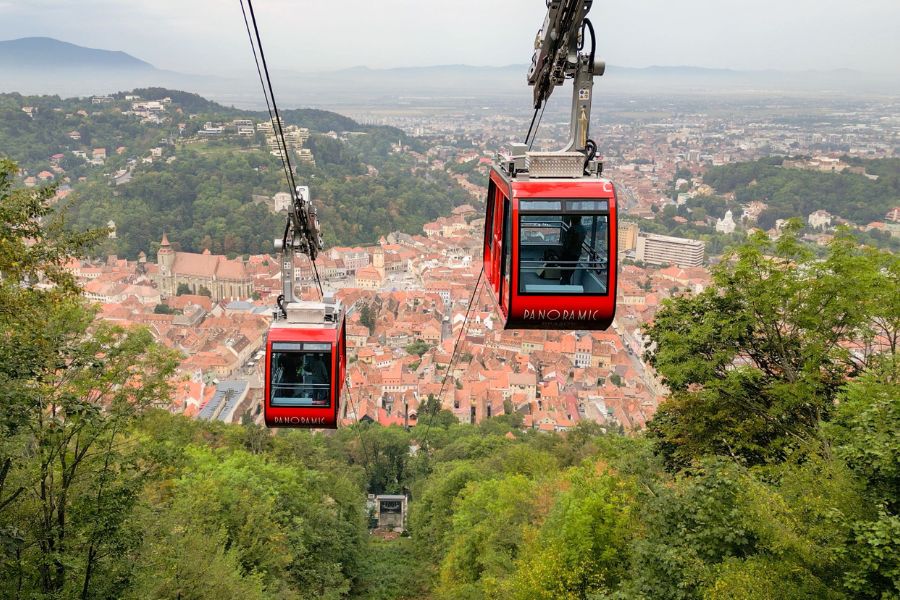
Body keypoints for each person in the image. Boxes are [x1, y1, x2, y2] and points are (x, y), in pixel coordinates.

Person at [559, 215, 586, 285]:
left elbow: (567, 244)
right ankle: (567, 288)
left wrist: (561, 255)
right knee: (570, 272)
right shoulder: (583, 229)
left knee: (564, 274)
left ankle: (563, 289)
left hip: (568, 255)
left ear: (572, 220)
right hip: (576, 254)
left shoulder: (572, 229)